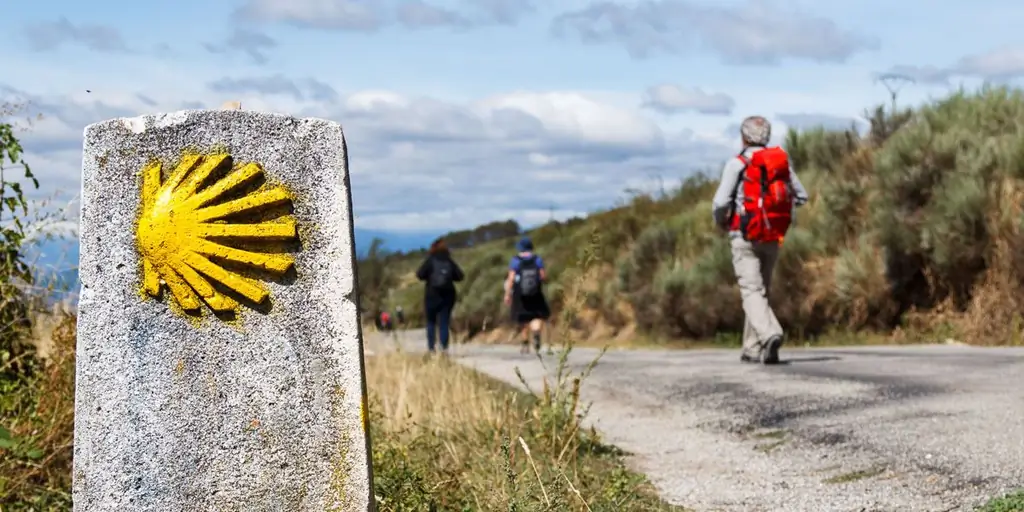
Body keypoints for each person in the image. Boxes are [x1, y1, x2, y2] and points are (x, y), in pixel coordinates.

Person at [711, 115, 809, 365]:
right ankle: (751, 348)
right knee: (761, 291)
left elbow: (720, 202)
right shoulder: (779, 163)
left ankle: (770, 334)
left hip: (744, 235)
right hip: (773, 235)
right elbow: (801, 195)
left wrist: (723, 221)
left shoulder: (737, 164)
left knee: (751, 291)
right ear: (766, 136)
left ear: (743, 137)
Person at [415, 237, 465, 355]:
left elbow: (419, 274)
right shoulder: (449, 261)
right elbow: (460, 276)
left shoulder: (430, 260)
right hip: (447, 295)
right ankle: (444, 348)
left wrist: (429, 277)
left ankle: (431, 348)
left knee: (431, 322)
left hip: (431, 295)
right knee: (444, 322)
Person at [503, 237, 551, 354]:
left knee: (523, 318)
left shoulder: (515, 261)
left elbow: (511, 278)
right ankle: (536, 334)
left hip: (520, 294)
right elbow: (543, 276)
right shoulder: (537, 259)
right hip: (536, 293)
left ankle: (525, 344)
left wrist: (508, 294)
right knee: (536, 315)